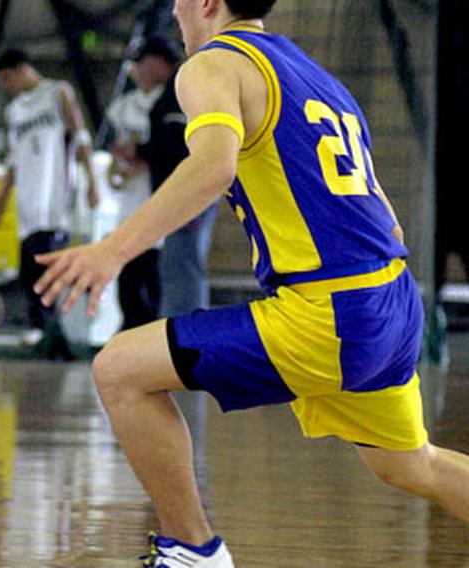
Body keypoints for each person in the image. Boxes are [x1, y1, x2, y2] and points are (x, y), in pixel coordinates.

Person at [34, 0, 469, 565]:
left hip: (331, 310)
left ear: (210, 1)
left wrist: (110, 252)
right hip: (393, 297)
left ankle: (192, 550)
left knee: (119, 370)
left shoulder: (212, 65)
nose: (175, 8)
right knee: (412, 463)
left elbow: (213, 168)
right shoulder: (315, 76)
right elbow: (387, 216)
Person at [0, 48, 100, 352]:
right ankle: (40, 326)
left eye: (8, 78)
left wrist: (92, 181)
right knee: (29, 265)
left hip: (55, 194)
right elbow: (12, 160)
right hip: (27, 200)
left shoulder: (57, 93)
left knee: (50, 259)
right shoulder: (15, 111)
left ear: (22, 69)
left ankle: (52, 327)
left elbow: (81, 136)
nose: (7, 86)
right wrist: (0, 199)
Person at [113, 34, 219, 323]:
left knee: (182, 267)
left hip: (189, 195)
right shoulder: (169, 95)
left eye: (143, 64)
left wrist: (141, 150)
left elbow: (176, 146)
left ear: (160, 62)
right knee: (174, 267)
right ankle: (177, 337)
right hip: (179, 195)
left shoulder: (179, 94)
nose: (140, 71)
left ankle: (186, 341)